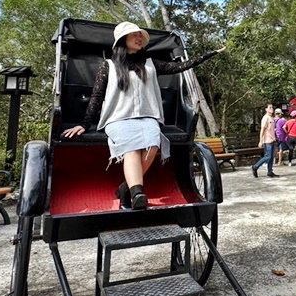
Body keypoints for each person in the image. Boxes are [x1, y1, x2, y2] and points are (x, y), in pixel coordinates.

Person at [63, 22, 224, 210]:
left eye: (141, 36)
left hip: (148, 118)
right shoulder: (108, 66)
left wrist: (210, 54)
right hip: (118, 119)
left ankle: (125, 188)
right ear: (123, 40)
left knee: (153, 143)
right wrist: (85, 124)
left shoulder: (150, 64)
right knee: (132, 146)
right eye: (134, 35)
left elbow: (181, 67)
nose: (139, 38)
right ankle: (138, 193)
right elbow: (97, 96)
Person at [252, 103, 280, 178]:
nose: (272, 108)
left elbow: (271, 129)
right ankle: (255, 167)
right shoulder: (265, 118)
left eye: (272, 107)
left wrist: (276, 137)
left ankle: (270, 171)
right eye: (270, 107)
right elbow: (262, 130)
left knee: (271, 156)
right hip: (267, 140)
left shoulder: (272, 118)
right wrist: (261, 141)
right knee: (268, 156)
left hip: (273, 139)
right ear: (266, 109)